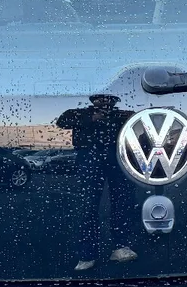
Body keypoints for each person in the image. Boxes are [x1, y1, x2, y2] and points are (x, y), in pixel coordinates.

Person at [56, 95, 137, 271]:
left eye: (109, 100)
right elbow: (62, 121)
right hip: (88, 156)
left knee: (122, 200)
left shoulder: (121, 115)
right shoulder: (79, 113)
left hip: (117, 155)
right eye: (101, 99)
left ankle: (121, 246)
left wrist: (131, 118)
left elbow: (138, 129)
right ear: (94, 101)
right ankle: (87, 254)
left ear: (115, 102)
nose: (105, 103)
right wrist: (91, 118)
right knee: (88, 205)